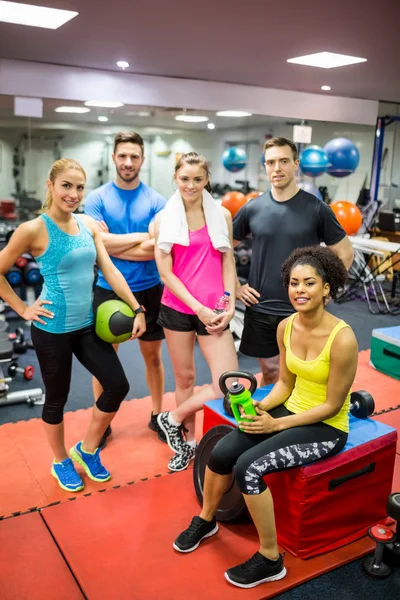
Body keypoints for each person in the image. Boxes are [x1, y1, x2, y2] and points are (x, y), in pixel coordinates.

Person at [174, 245, 358, 589]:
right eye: (294, 283)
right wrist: (263, 406)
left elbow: (332, 405)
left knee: (249, 467)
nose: (299, 290)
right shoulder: (286, 326)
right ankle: (206, 519)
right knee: (223, 451)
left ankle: (272, 558)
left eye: (309, 283)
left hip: (326, 426)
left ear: (326, 288)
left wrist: (277, 424)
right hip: (289, 410)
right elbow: (285, 384)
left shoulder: (343, 338)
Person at [0, 158, 146, 492]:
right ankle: (59, 460)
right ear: (50, 186)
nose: (73, 193)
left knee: (117, 385)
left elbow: (109, 270)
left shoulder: (88, 224)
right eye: (66, 185)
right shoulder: (33, 229)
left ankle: (87, 449)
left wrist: (137, 308)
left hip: (86, 326)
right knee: (56, 398)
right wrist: (23, 309)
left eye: (79, 187)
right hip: (52, 330)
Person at [234, 136, 354, 387]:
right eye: (270, 162)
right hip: (261, 306)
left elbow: (345, 253)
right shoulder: (252, 208)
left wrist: (325, 291)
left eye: (283, 161)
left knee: (304, 376)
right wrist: (236, 286)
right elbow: (223, 249)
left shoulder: (317, 209)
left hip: (302, 307)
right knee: (269, 373)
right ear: (265, 166)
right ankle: (273, 425)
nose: (276, 168)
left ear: (296, 164)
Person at [154, 152, 239, 472]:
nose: (191, 185)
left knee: (231, 382)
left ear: (207, 181)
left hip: (215, 309)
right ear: (175, 179)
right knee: (185, 378)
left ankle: (170, 419)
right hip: (179, 307)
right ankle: (187, 442)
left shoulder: (222, 215)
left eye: (198, 179)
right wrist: (197, 308)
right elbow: (166, 272)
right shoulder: (164, 219)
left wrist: (229, 301)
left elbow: (227, 260)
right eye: (185, 179)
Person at [84, 131, 167, 447]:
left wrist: (110, 243)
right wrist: (137, 237)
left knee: (153, 358)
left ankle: (158, 416)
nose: (128, 162)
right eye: (123, 156)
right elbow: (95, 244)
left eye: (134, 156)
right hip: (109, 290)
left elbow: (155, 248)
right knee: (105, 362)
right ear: (114, 158)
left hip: (149, 288)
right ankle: (101, 421)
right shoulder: (97, 198)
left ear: (142, 160)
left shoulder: (156, 200)